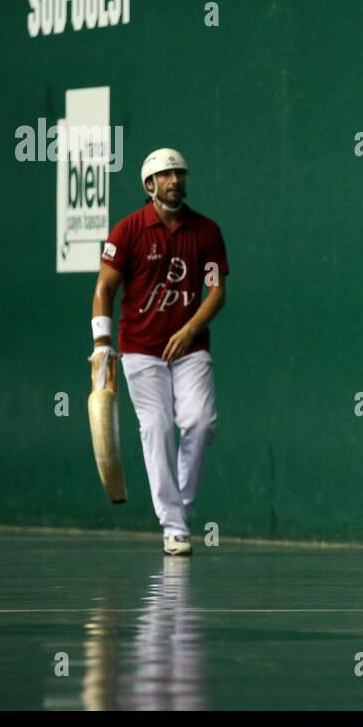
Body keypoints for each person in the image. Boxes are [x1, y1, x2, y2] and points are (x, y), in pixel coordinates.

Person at [91, 149, 229, 556]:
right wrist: (102, 345)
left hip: (191, 347)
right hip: (140, 350)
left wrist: (190, 329)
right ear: (149, 185)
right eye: (166, 175)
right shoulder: (128, 231)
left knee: (201, 423)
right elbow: (104, 289)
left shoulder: (206, 232)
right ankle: (173, 525)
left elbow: (216, 291)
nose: (174, 181)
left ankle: (179, 508)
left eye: (179, 174)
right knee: (156, 428)